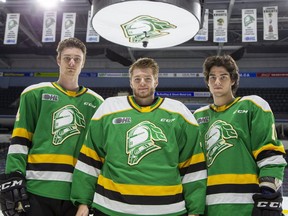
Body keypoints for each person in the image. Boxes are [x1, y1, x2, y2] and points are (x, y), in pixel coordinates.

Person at [71, 57, 207, 216]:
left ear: (156, 81)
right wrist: (82, 202)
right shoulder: (108, 109)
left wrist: (195, 210)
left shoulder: (179, 112)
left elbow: (193, 165)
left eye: (147, 78)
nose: (142, 82)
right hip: (112, 208)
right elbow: (90, 159)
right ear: (131, 82)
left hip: (167, 209)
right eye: (137, 79)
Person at [0, 37, 104, 216]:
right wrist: (15, 177)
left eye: (77, 59)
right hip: (37, 189)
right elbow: (20, 141)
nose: (72, 63)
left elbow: (96, 154)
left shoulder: (97, 103)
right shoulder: (34, 94)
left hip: (75, 194)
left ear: (83, 63)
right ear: (58, 60)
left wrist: (87, 197)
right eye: (67, 58)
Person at [193, 55, 287, 216]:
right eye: (212, 77)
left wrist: (268, 193)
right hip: (210, 204)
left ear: (233, 80)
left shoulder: (252, 105)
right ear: (207, 82)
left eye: (223, 77)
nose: (217, 82)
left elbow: (268, 152)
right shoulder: (198, 116)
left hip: (247, 203)